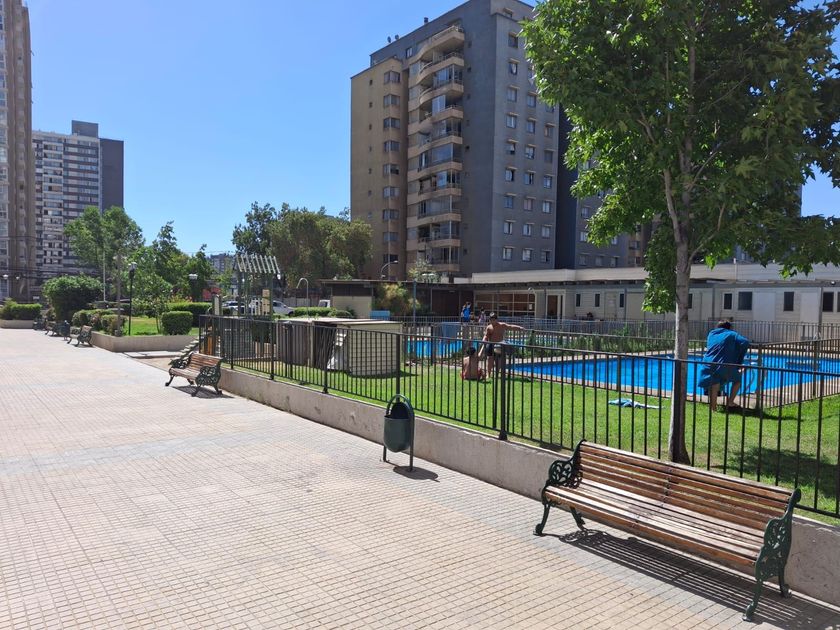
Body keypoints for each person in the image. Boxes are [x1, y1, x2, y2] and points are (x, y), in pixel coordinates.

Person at [698, 320, 750, 412]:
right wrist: (738, 356)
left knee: (714, 384)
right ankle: (730, 402)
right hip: (723, 365)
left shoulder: (711, 334)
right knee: (737, 380)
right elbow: (745, 342)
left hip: (707, 364)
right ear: (729, 328)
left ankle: (713, 409)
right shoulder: (732, 334)